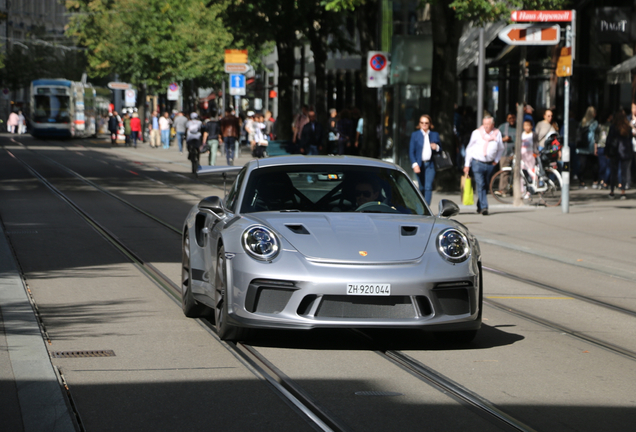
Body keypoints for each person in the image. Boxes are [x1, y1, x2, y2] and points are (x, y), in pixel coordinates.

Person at [463, 116, 504, 215]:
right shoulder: (476, 133)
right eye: (484, 124)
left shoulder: (497, 133)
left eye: (488, 124)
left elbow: (501, 148)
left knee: (485, 185)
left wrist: (496, 161)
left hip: (490, 164)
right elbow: (469, 149)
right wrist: (467, 165)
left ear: (492, 125)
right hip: (477, 163)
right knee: (480, 184)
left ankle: (480, 205)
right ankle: (484, 207)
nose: (485, 126)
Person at [409, 114, 441, 205]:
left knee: (428, 187)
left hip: (430, 164)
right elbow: (411, 151)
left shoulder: (434, 134)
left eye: (426, 123)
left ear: (430, 124)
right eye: (422, 123)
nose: (424, 125)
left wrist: (436, 147)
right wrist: (414, 164)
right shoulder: (415, 135)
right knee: (421, 187)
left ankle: (427, 208)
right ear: (419, 124)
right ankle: (421, 206)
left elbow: (441, 149)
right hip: (419, 164)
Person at [606, 109, 634, 199]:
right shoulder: (627, 128)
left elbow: (609, 140)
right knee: (624, 172)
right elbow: (630, 140)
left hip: (615, 151)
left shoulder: (613, 127)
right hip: (625, 152)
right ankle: (623, 192)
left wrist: (607, 151)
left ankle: (612, 192)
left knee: (613, 172)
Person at [575, 106, 599, 188]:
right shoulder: (595, 123)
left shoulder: (582, 122)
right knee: (594, 165)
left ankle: (581, 182)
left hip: (581, 147)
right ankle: (595, 181)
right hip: (590, 146)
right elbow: (596, 136)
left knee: (582, 165)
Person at [496, 113, 517, 193]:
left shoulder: (519, 127)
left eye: (513, 118)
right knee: (504, 172)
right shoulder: (502, 127)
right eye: (510, 118)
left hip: (516, 153)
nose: (512, 119)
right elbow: (496, 139)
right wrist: (504, 139)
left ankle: (515, 189)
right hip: (505, 153)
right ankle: (503, 189)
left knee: (516, 172)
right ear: (507, 119)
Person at [520, 120, 539, 199]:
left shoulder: (533, 135)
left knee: (531, 173)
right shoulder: (521, 134)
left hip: (530, 156)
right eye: (525, 125)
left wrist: (536, 154)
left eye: (528, 125)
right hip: (522, 156)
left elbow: (535, 145)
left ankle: (530, 191)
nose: (527, 127)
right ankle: (523, 190)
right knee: (522, 174)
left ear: (531, 126)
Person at [595, 112, 612, 189]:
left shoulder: (600, 126)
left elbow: (596, 138)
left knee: (602, 165)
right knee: (607, 165)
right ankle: (605, 181)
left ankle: (603, 180)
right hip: (606, 146)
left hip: (601, 146)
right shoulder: (610, 126)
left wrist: (595, 147)